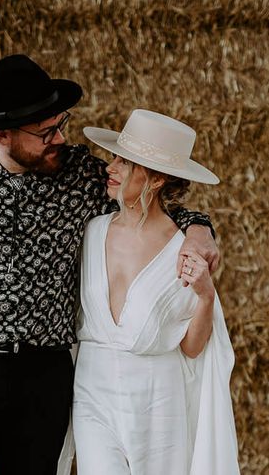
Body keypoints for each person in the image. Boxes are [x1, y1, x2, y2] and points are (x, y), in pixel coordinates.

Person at [0, 55, 221, 475]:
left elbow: (150, 199)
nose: (60, 138)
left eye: (61, 124)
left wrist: (199, 228)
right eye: (46, 132)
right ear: (4, 133)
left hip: (41, 375)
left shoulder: (82, 174)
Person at [63, 109, 239, 475]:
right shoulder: (90, 232)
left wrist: (206, 296)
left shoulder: (183, 251)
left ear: (156, 178)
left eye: (123, 162)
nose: (109, 167)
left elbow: (192, 348)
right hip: (93, 395)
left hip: (158, 402)